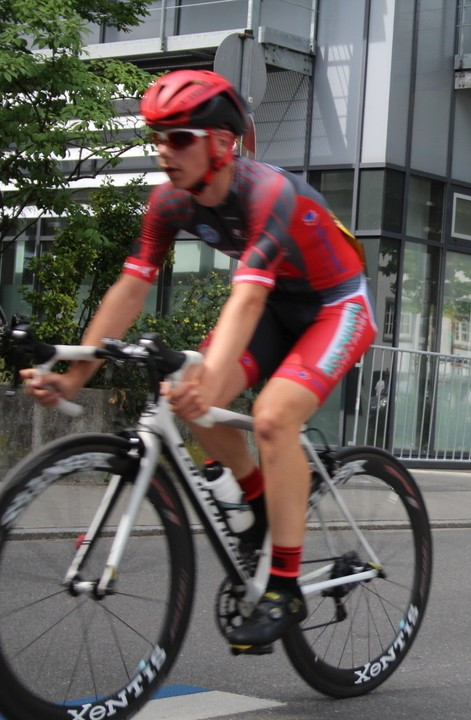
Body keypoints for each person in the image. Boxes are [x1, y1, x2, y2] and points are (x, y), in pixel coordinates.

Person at [21, 70, 376, 651]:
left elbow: (247, 297)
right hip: (274, 304)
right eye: (156, 137)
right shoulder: (169, 202)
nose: (164, 151)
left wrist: (206, 379)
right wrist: (74, 375)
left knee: (271, 416)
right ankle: (258, 498)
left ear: (221, 141)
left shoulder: (269, 196)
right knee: (185, 397)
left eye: (179, 137)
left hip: (335, 307)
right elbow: (130, 288)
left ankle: (284, 585)